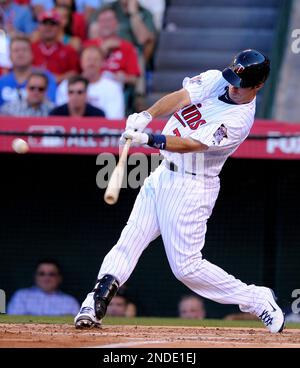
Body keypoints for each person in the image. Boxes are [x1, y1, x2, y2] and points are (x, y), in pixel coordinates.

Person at [74, 49, 285, 334]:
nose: (233, 86)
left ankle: (256, 299)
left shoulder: (239, 120)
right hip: (163, 174)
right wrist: (146, 115)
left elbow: (191, 144)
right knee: (130, 239)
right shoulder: (217, 79)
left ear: (258, 86)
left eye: (241, 84)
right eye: (233, 79)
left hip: (192, 186)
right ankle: (94, 302)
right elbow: (180, 97)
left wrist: (148, 139)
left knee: (186, 268)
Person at [56, 47, 125, 119]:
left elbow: (115, 119)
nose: (91, 63)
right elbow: (60, 114)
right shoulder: (66, 85)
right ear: (81, 62)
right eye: (88, 59)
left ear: (103, 62)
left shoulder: (113, 88)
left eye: (96, 59)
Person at [85, 8, 140, 87]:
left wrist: (124, 78)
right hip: (92, 88)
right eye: (102, 21)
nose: (106, 24)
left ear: (117, 23)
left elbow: (134, 78)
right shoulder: (88, 45)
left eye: (109, 20)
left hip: (117, 89)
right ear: (98, 24)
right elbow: (82, 74)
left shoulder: (127, 47)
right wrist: (102, 50)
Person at [8, 259, 79, 315]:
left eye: (52, 274)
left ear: (59, 278)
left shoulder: (70, 302)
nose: (46, 278)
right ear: (35, 277)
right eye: (42, 274)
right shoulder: (21, 296)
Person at [0, 35, 56, 106]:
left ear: (32, 54)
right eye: (16, 50)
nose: (20, 53)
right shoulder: (2, 81)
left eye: (24, 50)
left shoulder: (46, 77)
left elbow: (50, 105)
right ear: (10, 56)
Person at [31, 10, 80, 84]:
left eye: (52, 24)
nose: (48, 27)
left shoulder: (69, 50)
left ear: (60, 27)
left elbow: (74, 74)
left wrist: (57, 79)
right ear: (39, 26)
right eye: (44, 23)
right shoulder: (30, 49)